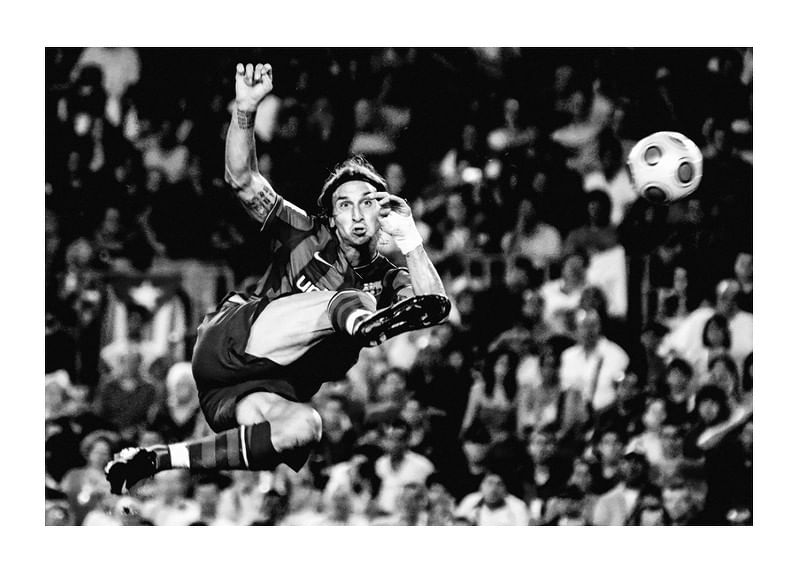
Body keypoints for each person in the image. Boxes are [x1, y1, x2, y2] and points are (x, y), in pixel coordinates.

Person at [106, 62, 450, 494]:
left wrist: (411, 238)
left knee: (304, 427)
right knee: (352, 300)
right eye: (345, 205)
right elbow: (241, 179)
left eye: (368, 202)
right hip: (234, 343)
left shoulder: (388, 275)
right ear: (331, 217)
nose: (358, 214)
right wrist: (245, 110)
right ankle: (362, 323)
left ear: (383, 212)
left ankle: (155, 459)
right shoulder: (304, 232)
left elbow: (434, 307)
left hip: (245, 393)